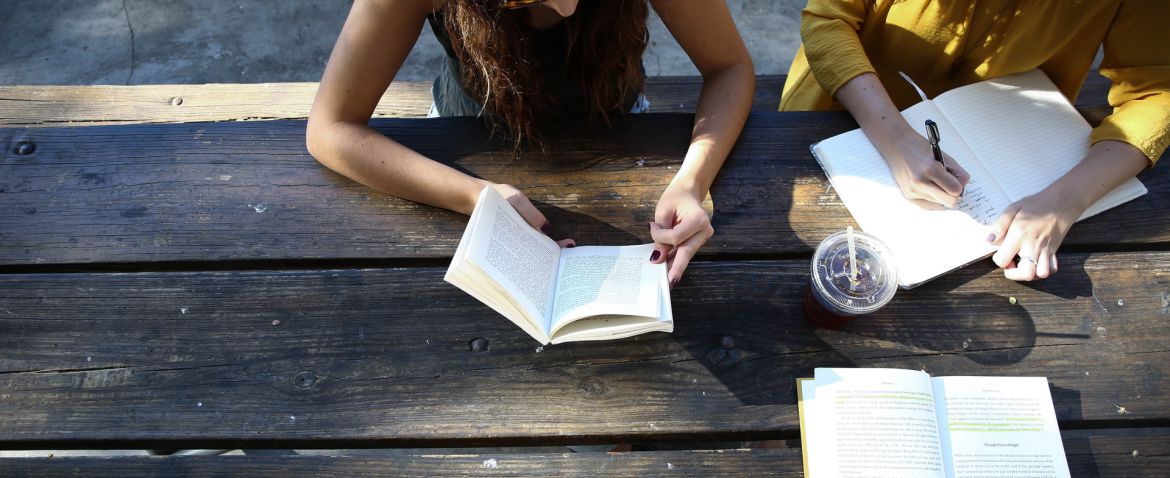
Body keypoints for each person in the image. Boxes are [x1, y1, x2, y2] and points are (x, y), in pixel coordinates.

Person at [307, 0, 755, 287]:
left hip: (618, 131)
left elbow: (729, 66)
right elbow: (330, 129)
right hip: (461, 147)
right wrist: (475, 195)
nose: (566, 6)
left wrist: (692, 182)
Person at [781, 0, 1170, 281]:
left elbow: (1157, 92)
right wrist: (896, 138)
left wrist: (1065, 200)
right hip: (840, 109)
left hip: (1018, 154)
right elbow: (828, 18)